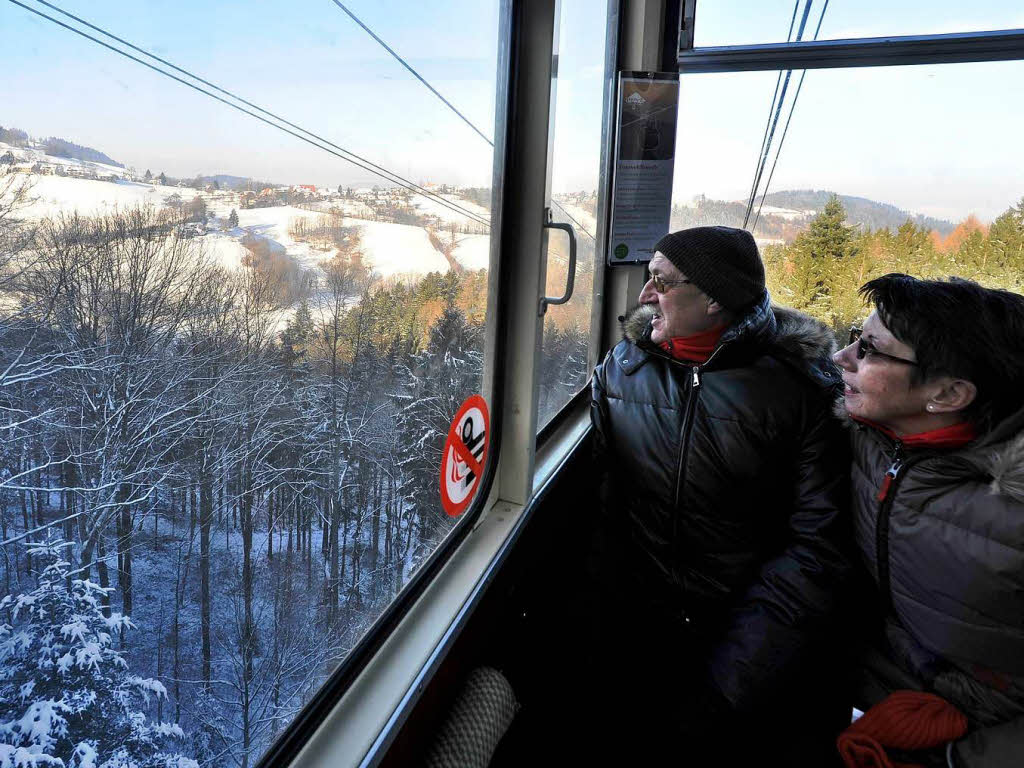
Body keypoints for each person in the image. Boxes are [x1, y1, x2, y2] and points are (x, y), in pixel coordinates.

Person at [588, 226, 852, 764]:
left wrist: (728, 682)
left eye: (661, 281)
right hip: (638, 623)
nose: (644, 295)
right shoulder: (624, 371)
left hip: (747, 635)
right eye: (647, 278)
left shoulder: (799, 393)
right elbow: (602, 509)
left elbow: (817, 551)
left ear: (715, 298)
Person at [832, 273, 1024, 768]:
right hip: (879, 683)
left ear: (948, 394)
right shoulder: (869, 435)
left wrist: (963, 758)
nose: (842, 358)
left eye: (870, 350)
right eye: (856, 335)